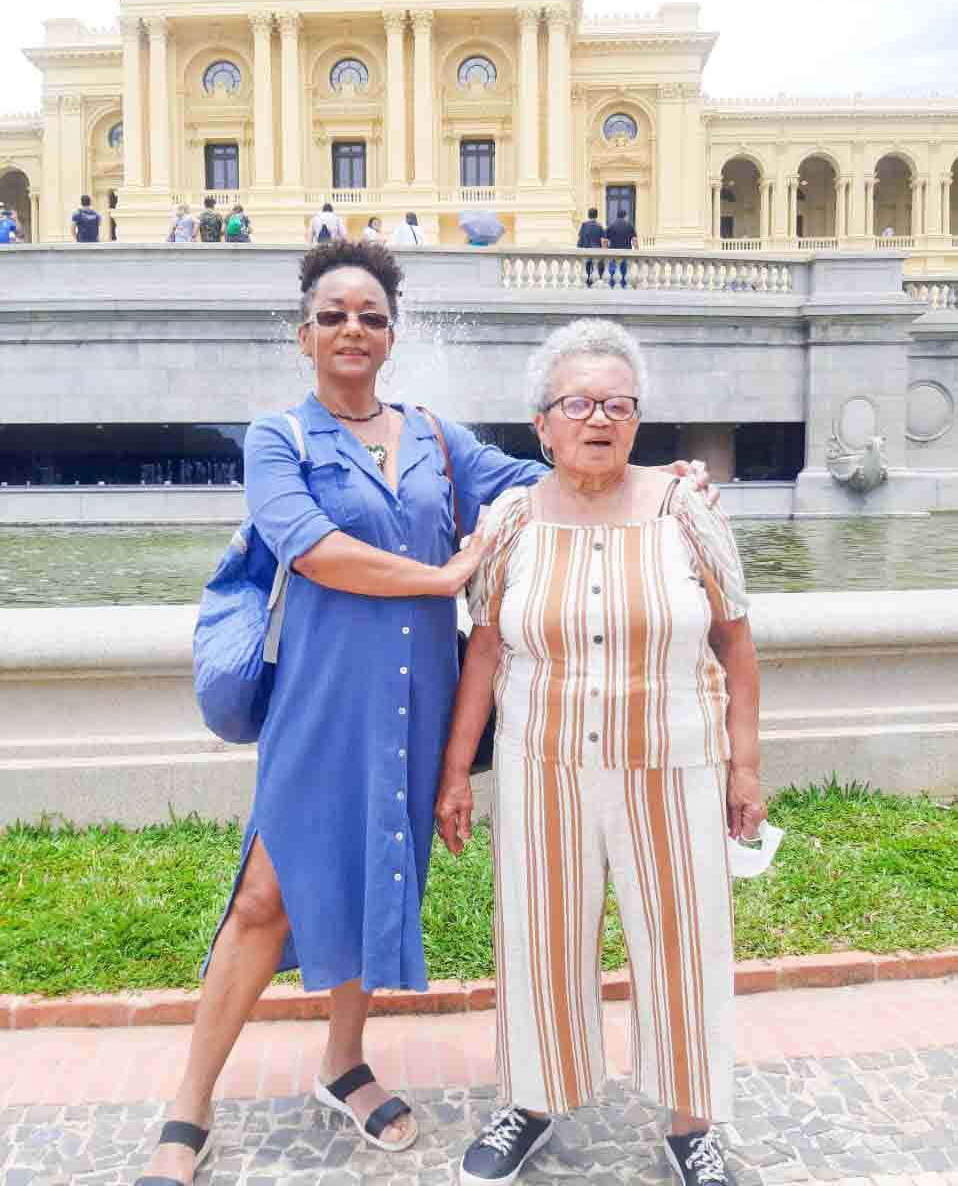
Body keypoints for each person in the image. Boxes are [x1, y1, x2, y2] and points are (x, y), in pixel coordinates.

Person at [134, 251, 716, 1186]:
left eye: (371, 315)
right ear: (305, 335)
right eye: (334, 315)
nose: (353, 329)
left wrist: (654, 474)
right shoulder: (280, 436)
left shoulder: (437, 437)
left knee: (380, 874)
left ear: (392, 334)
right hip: (322, 700)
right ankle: (189, 1105)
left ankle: (343, 1065)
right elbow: (312, 549)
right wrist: (444, 577)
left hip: (417, 704)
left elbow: (547, 472)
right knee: (263, 898)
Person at [436, 318, 764, 1186]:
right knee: (537, 935)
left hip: (673, 761)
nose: (599, 420)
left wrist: (744, 767)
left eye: (619, 406)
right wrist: (456, 774)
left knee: (685, 939)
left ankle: (693, 1124)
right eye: (578, 404)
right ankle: (532, 1101)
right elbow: (484, 652)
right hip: (541, 764)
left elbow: (735, 642)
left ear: (637, 420)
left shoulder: (685, 509)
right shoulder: (510, 520)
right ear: (541, 424)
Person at [576, 206, 607, 286]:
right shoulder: (599, 226)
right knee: (595, 270)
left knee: (587, 270)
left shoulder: (584, 225)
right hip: (596, 251)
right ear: (596, 215)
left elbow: (580, 239)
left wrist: (578, 250)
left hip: (585, 251)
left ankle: (588, 284)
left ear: (588, 215)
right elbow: (604, 241)